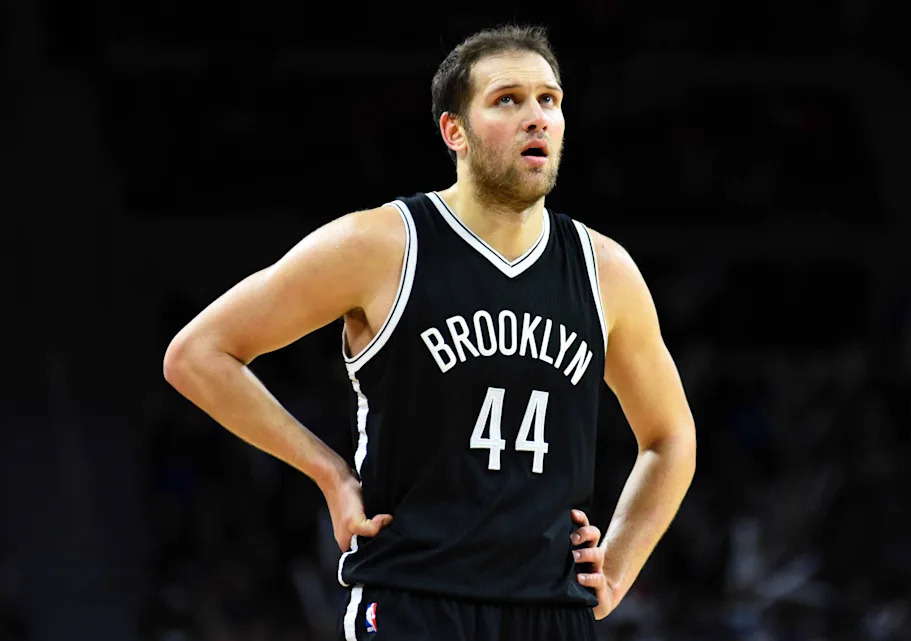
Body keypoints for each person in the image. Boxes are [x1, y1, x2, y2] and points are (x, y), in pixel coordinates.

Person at [163, 23, 696, 641]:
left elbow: (670, 435)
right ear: (455, 131)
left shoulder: (605, 270)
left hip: (552, 610)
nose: (536, 118)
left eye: (548, 100)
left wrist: (621, 564)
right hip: (415, 599)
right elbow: (198, 354)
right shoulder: (382, 244)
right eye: (507, 100)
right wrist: (329, 472)